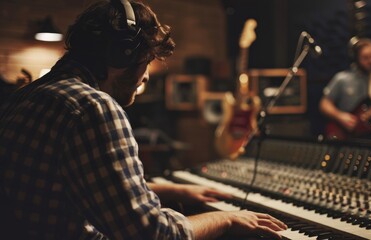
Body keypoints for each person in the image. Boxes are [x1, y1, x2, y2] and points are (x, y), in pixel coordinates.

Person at [0, 0, 287, 239]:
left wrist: (170, 189)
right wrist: (224, 220)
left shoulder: (27, 96)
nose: (146, 75)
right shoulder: (92, 107)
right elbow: (153, 234)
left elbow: (82, 186)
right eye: (145, 61)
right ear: (121, 56)